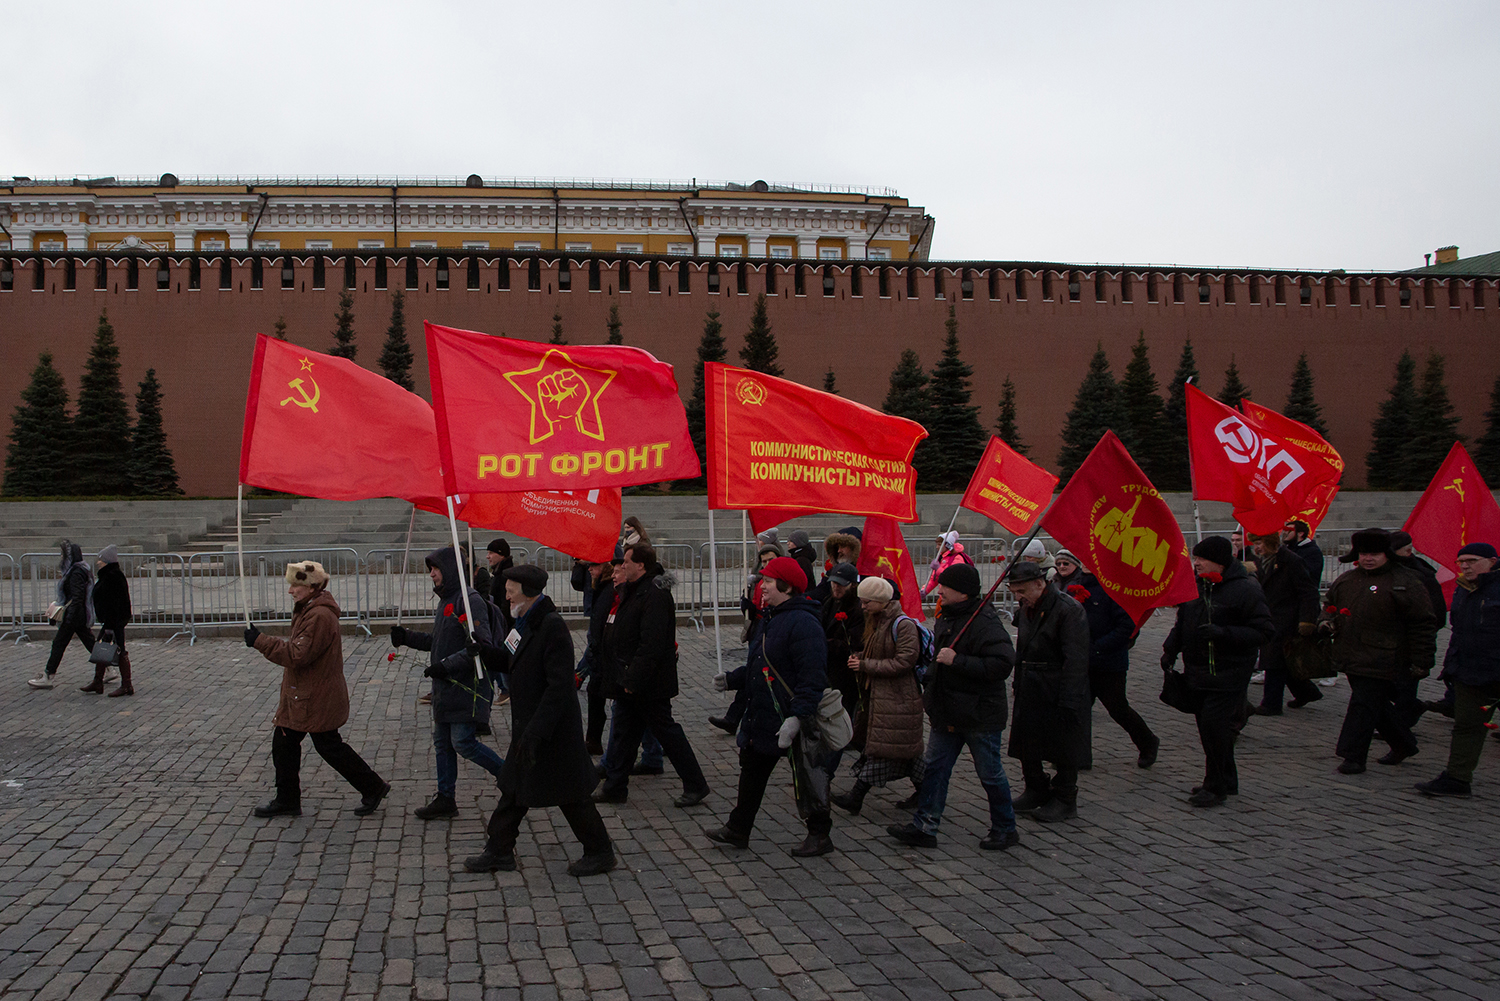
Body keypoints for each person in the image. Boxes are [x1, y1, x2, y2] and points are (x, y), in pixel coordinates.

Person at [463, 565, 616, 876]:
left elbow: (559, 687)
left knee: (572, 796)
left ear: (529, 593)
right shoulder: (523, 624)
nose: (505, 596)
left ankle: (600, 851)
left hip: (551, 731)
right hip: (530, 728)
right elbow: (508, 658)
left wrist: (537, 731)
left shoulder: (552, 626)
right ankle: (499, 850)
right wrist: (481, 651)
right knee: (514, 790)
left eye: (511, 591)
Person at [704, 556, 833, 856]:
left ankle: (820, 834)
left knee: (807, 775)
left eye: (770, 582)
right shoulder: (771, 617)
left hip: (789, 715)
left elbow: (812, 676)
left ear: (788, 587)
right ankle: (738, 829)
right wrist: (733, 679)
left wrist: (798, 718)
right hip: (764, 714)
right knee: (752, 770)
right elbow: (761, 663)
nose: (763, 588)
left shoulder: (803, 623)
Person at [888, 562, 1019, 851]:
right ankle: (925, 826)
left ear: (962, 592)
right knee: (935, 769)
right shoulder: (948, 616)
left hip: (978, 714)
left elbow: (1002, 663)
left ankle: (1005, 828)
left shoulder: (984, 622)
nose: (939, 590)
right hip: (947, 710)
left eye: (944, 586)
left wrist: (957, 661)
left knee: (990, 773)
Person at [245, 561, 389, 818]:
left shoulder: (319, 615)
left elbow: (298, 654)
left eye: (295, 585)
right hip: (305, 693)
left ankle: (372, 786)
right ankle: (288, 798)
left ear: (311, 587)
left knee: (328, 746)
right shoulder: (308, 609)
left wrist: (261, 641)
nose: (291, 591)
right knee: (286, 742)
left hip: (315, 695)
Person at [390, 546, 504, 820]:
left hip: (464, 685)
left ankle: (509, 775)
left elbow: (480, 646)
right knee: (442, 743)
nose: (431, 574)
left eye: (435, 569)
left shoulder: (470, 600)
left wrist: (446, 666)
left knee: (463, 742)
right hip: (444, 686)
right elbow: (437, 642)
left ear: (450, 570)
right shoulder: (447, 600)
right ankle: (445, 798)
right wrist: (406, 637)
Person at [594, 542, 711, 807]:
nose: (621, 566)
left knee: (667, 733)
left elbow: (652, 644)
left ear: (641, 565)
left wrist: (633, 680)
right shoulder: (635, 590)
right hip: (629, 680)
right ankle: (615, 786)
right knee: (624, 735)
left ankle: (696, 784)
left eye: (626, 562)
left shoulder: (654, 594)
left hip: (648, 683)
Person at [1161, 536, 1273, 807]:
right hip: (1198, 670)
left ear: (1219, 562)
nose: (1195, 563)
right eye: (1195, 558)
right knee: (1209, 727)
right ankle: (1227, 778)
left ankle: (1216, 786)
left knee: (1213, 727)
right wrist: (1170, 650)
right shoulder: (1198, 586)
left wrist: (1224, 633)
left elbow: (1264, 631)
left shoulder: (1246, 589)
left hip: (1229, 672)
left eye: (1201, 559)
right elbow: (1183, 622)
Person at [1321, 529, 1436, 774]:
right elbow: (1329, 605)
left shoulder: (1406, 581)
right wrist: (1325, 621)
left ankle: (1353, 756)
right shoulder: (1347, 580)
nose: (1368, 559)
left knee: (1363, 704)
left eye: (1374, 554)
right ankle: (1403, 743)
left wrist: (1422, 660)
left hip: (1387, 656)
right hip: (1350, 652)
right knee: (1375, 704)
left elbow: (1423, 623)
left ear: (1387, 554)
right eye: (1363, 554)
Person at [830, 576, 926, 816]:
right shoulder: (878, 621)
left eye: (867, 602)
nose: (863, 607)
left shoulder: (902, 624)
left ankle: (856, 796)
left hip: (898, 698)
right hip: (881, 697)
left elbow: (904, 661)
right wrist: (861, 656)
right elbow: (877, 651)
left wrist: (866, 666)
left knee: (883, 748)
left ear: (881, 601)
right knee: (903, 752)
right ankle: (926, 790)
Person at [1054, 549, 1158, 768]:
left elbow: (1125, 628)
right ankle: (1073, 754)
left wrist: (1097, 648)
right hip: (1079, 661)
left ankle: (1147, 741)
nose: (1086, 564)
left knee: (1117, 708)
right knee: (1076, 708)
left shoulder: (1114, 589)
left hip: (1108, 662)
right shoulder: (1073, 586)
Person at [1007, 560, 1089, 821]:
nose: (1018, 598)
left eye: (1022, 591)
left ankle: (1065, 797)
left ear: (1040, 584)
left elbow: (1076, 659)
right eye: (1014, 592)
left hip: (1056, 685)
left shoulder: (1068, 610)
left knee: (1062, 744)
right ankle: (1036, 788)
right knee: (1025, 742)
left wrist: (1069, 698)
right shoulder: (1027, 606)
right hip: (1030, 683)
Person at [1416, 543, 1500, 798]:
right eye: (1460, 561)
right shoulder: (1464, 589)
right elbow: (1459, 632)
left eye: (1472, 560)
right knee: (1467, 727)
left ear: (1492, 561)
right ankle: (1457, 778)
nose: (1465, 566)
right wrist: (1453, 666)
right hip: (1471, 671)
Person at [1249, 532, 1321, 715]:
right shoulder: (1260, 561)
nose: (1257, 547)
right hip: (1270, 616)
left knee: (1273, 661)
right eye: (1255, 543)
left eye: (1261, 543)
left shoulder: (1291, 561)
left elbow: (1308, 592)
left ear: (1271, 543)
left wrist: (1307, 620)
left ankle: (1271, 704)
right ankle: (1307, 692)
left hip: (1287, 618)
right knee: (1283, 661)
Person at [818, 562, 864, 784]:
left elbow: (853, 645)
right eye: (834, 583)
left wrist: (825, 644)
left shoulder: (857, 609)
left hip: (846, 676)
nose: (836, 588)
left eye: (841, 585)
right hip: (828, 671)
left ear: (853, 585)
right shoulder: (830, 602)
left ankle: (825, 774)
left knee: (838, 723)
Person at [29, 541, 97, 689]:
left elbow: (77, 596)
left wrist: (69, 616)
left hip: (73, 615)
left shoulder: (76, 572)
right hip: (77, 615)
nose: (61, 557)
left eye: (63, 555)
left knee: (59, 644)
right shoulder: (78, 570)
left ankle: (48, 675)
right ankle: (108, 668)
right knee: (90, 642)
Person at [575, 552, 616, 755]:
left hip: (605, 654)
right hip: (600, 653)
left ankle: (596, 743)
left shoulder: (608, 589)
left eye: (593, 565)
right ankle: (593, 741)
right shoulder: (599, 587)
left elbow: (601, 626)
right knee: (595, 693)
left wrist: (593, 653)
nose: (589, 568)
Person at [82, 545, 133, 697]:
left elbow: (115, 603)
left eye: (101, 560)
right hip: (110, 621)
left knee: (120, 650)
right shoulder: (108, 575)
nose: (98, 563)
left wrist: (111, 623)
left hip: (114, 621)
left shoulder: (113, 577)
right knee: (101, 648)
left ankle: (127, 684)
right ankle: (98, 681)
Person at [810, 528, 862, 604]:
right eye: (837, 547)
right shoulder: (833, 570)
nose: (839, 551)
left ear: (854, 548)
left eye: (843, 546)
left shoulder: (864, 571)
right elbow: (821, 591)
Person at [921, 531, 974, 598]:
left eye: (940, 544)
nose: (937, 547)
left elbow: (953, 577)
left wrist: (938, 569)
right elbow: (934, 579)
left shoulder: (957, 558)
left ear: (947, 545)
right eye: (937, 544)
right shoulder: (941, 558)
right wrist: (925, 590)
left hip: (955, 597)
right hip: (945, 596)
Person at [1280, 519, 1325, 589]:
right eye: (1284, 530)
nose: (1285, 533)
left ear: (1300, 533)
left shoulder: (1312, 552)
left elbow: (1306, 574)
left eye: (1289, 530)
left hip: (1304, 594)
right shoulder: (1286, 549)